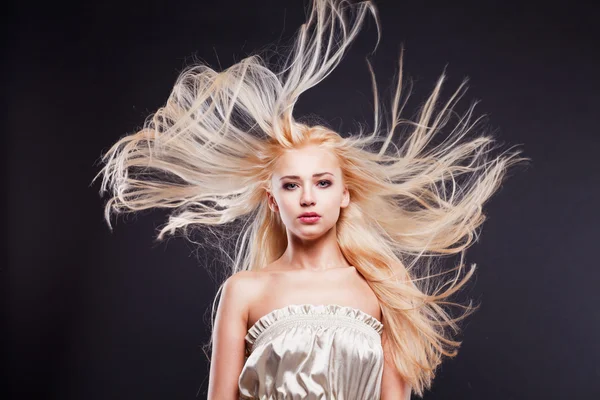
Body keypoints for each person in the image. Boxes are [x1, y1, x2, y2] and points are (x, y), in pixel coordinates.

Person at [92, 0, 529, 398]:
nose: (306, 198)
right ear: (271, 199)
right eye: (290, 185)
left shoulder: (383, 292)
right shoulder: (243, 292)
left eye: (322, 183)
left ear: (345, 195)